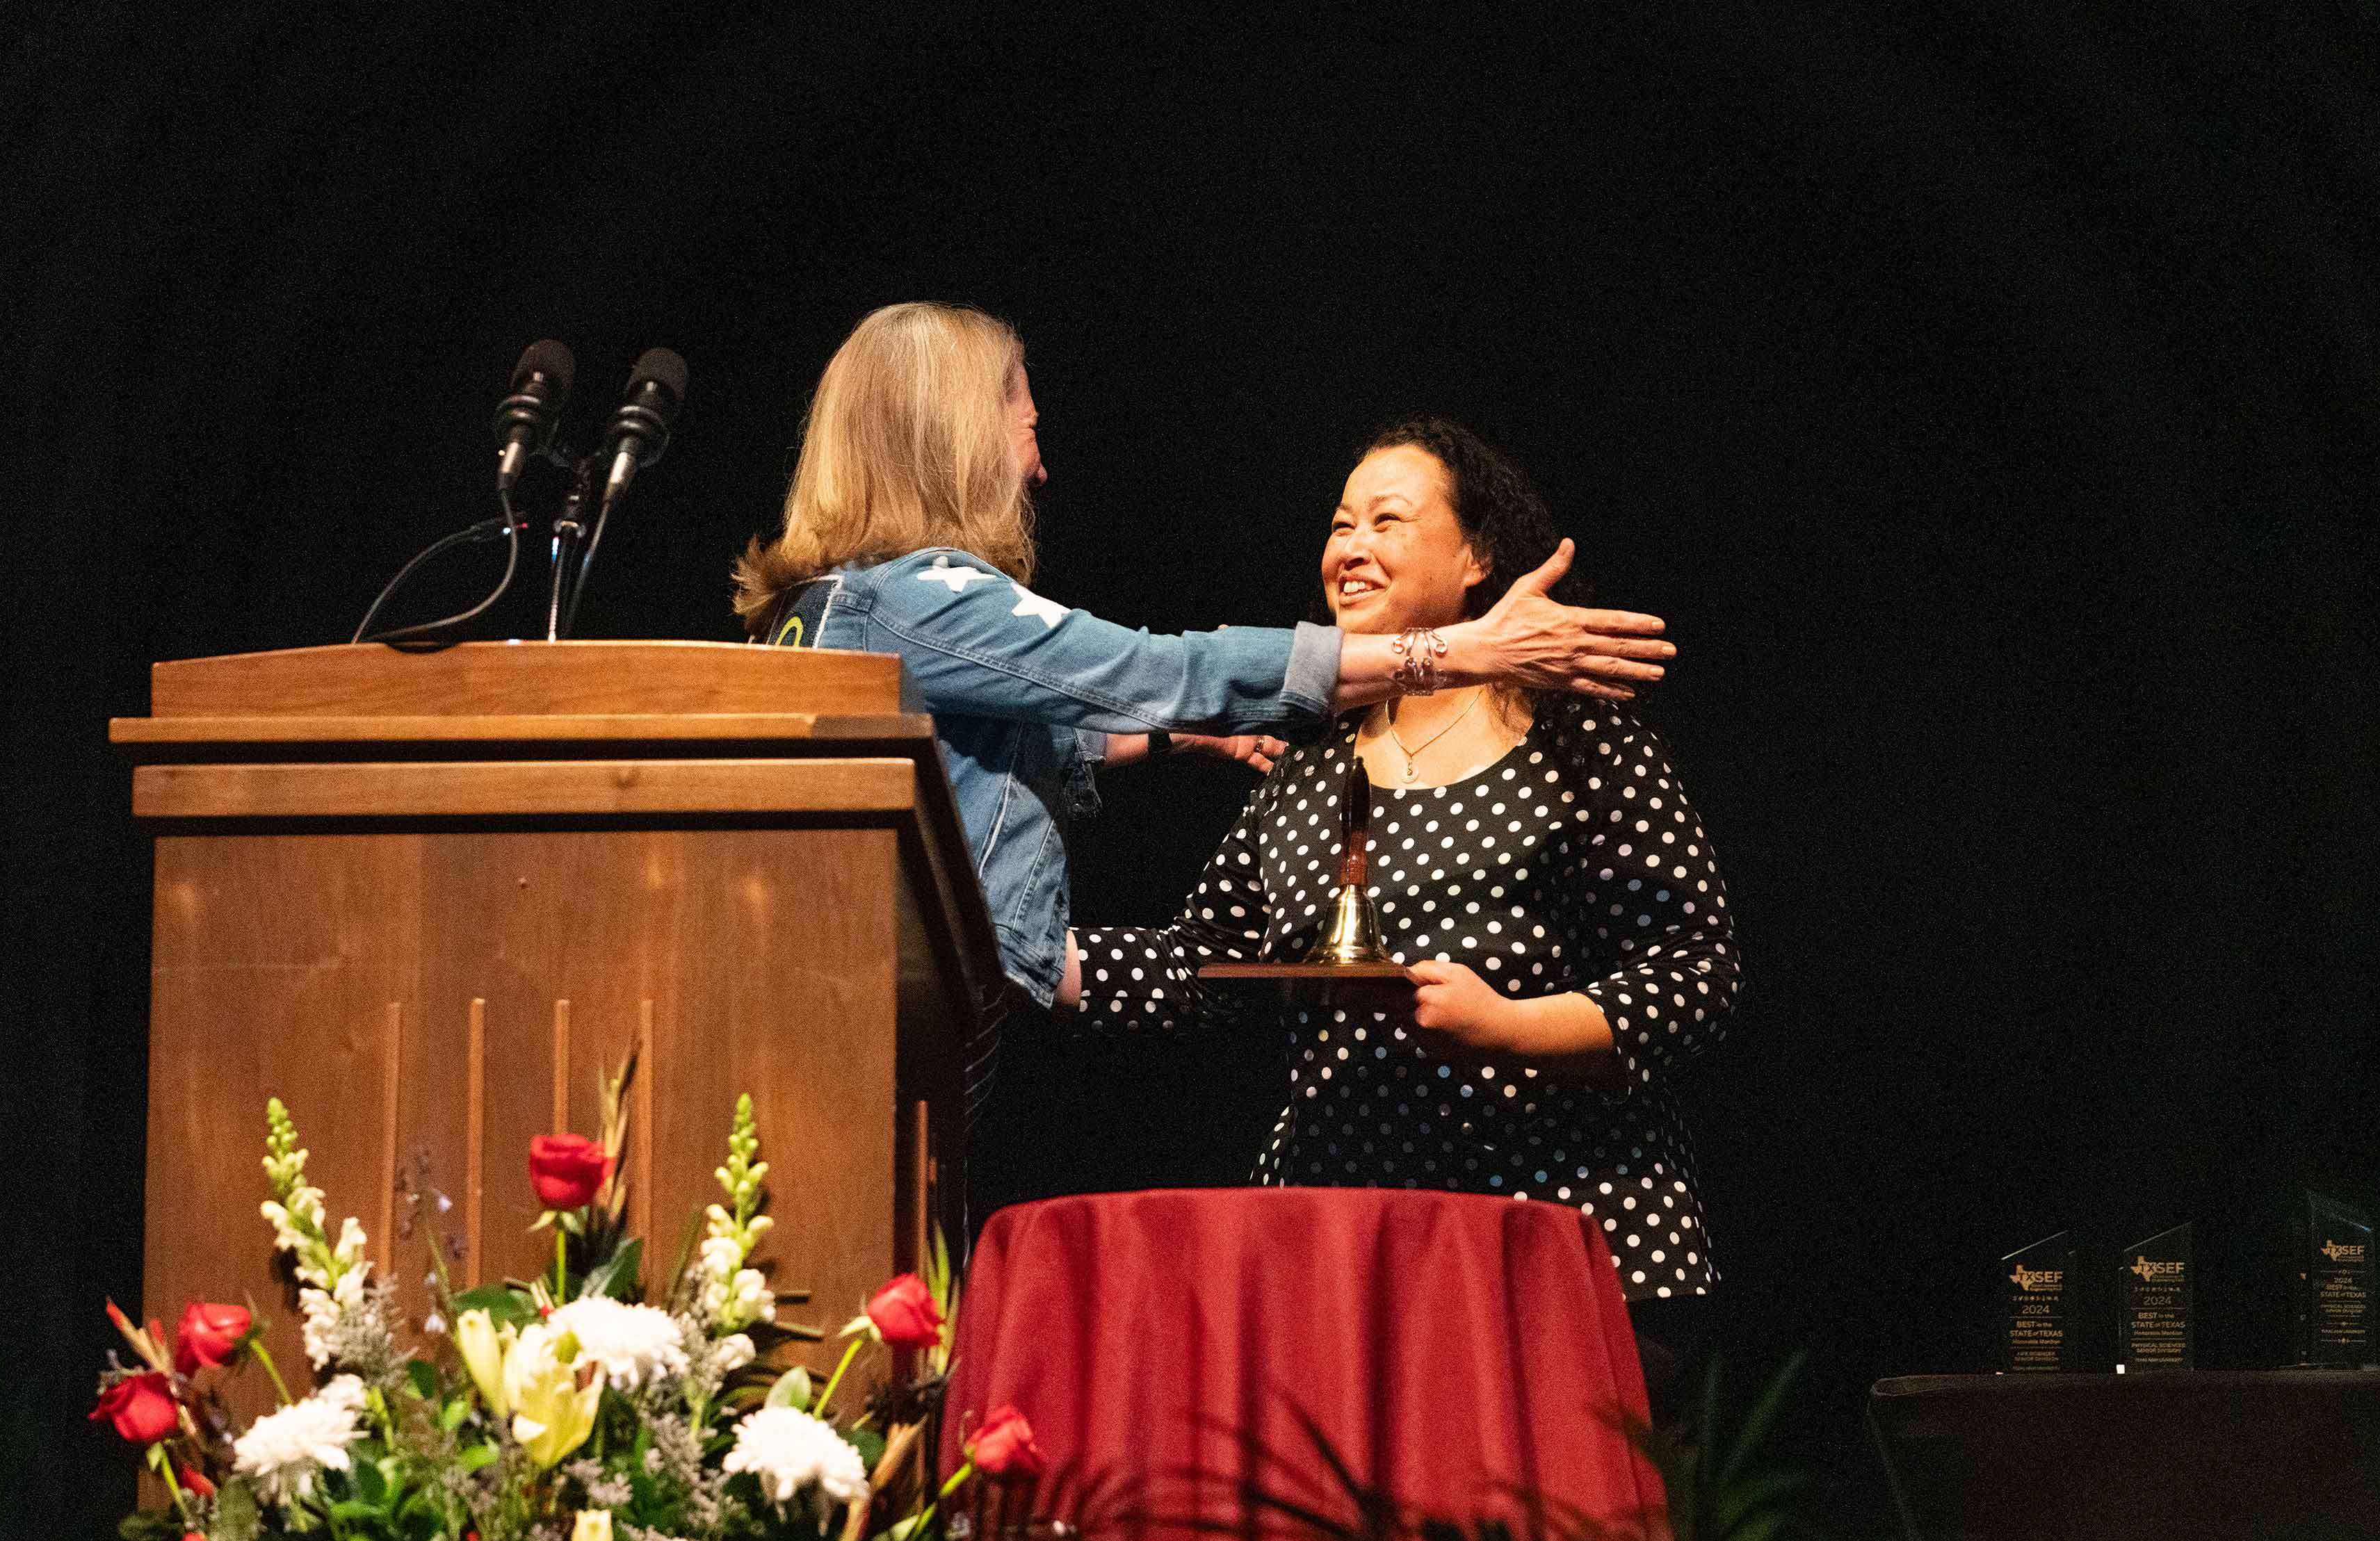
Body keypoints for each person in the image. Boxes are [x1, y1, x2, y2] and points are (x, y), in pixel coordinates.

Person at [732, 303, 1678, 1138]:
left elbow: (981, 741)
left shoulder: (836, 607)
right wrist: (1454, 651)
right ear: (948, 432)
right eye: (1017, 410)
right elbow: (1154, 671)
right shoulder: (923, 597)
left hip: (841, 1039)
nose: (1036, 443)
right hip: (860, 1053)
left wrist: (1174, 734)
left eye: (1386, 521)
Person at [1058, 416, 1742, 1418]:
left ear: (1476, 560)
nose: (1353, 546)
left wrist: (1511, 1027)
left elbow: (1696, 971)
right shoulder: (1309, 762)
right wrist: (1030, 957)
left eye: (1388, 520)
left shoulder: (1577, 736)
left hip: (1555, 1244)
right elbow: (1202, 965)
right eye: (1341, 524)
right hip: (1343, 1257)